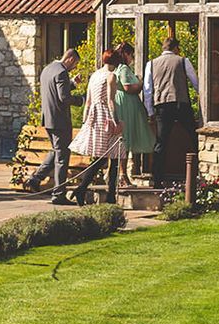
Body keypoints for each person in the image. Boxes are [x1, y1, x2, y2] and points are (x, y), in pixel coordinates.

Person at [65, 45, 126, 204]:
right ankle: (92, 191)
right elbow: (111, 101)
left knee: (103, 157)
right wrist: (116, 121)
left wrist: (85, 121)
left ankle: (97, 192)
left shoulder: (95, 75)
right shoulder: (111, 76)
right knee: (111, 157)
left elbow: (88, 101)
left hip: (94, 115)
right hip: (106, 116)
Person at [144, 35, 199, 187]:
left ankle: (157, 179)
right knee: (194, 136)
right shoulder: (183, 61)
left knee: (161, 142)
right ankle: (199, 171)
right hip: (181, 103)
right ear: (175, 48)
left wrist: (150, 111)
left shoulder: (151, 64)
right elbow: (196, 82)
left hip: (162, 105)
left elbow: (148, 90)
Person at [25, 47, 78, 199]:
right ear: (70, 59)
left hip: (48, 119)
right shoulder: (62, 72)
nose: (74, 67)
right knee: (62, 157)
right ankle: (59, 194)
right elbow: (64, 98)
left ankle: (36, 179)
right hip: (60, 120)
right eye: (75, 64)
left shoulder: (47, 69)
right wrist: (81, 99)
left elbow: (54, 91)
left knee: (56, 151)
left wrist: (72, 84)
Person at [111, 41, 156, 183]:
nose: (132, 58)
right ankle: (122, 174)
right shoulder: (124, 68)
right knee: (126, 139)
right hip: (127, 105)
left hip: (125, 104)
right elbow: (128, 87)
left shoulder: (118, 68)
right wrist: (141, 84)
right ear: (126, 54)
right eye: (131, 55)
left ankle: (120, 174)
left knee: (124, 139)